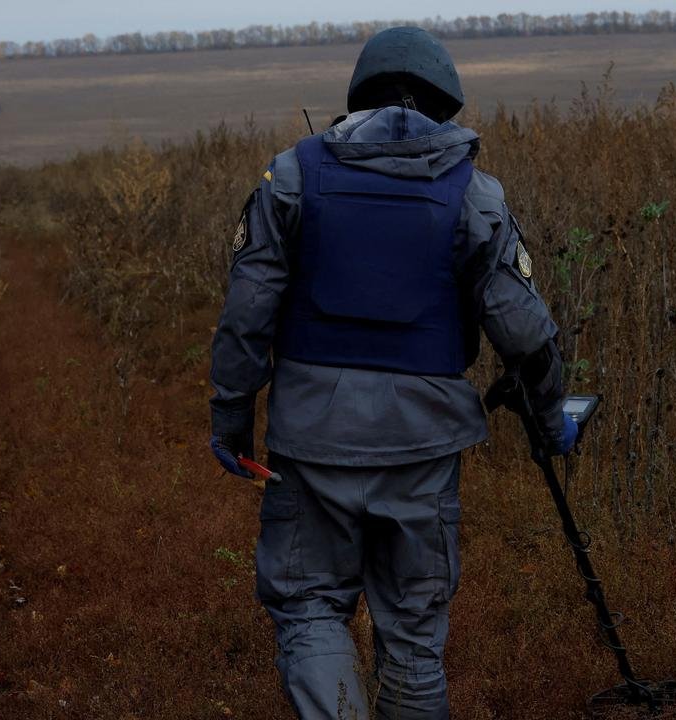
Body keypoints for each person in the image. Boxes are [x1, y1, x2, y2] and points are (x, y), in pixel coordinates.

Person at [207, 26, 578, 720]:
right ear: (447, 104)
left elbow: (246, 312)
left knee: (309, 605)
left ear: (358, 93)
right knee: (411, 632)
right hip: (424, 448)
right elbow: (527, 335)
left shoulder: (292, 176)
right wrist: (553, 418)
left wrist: (231, 416)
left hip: (311, 442)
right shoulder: (475, 196)